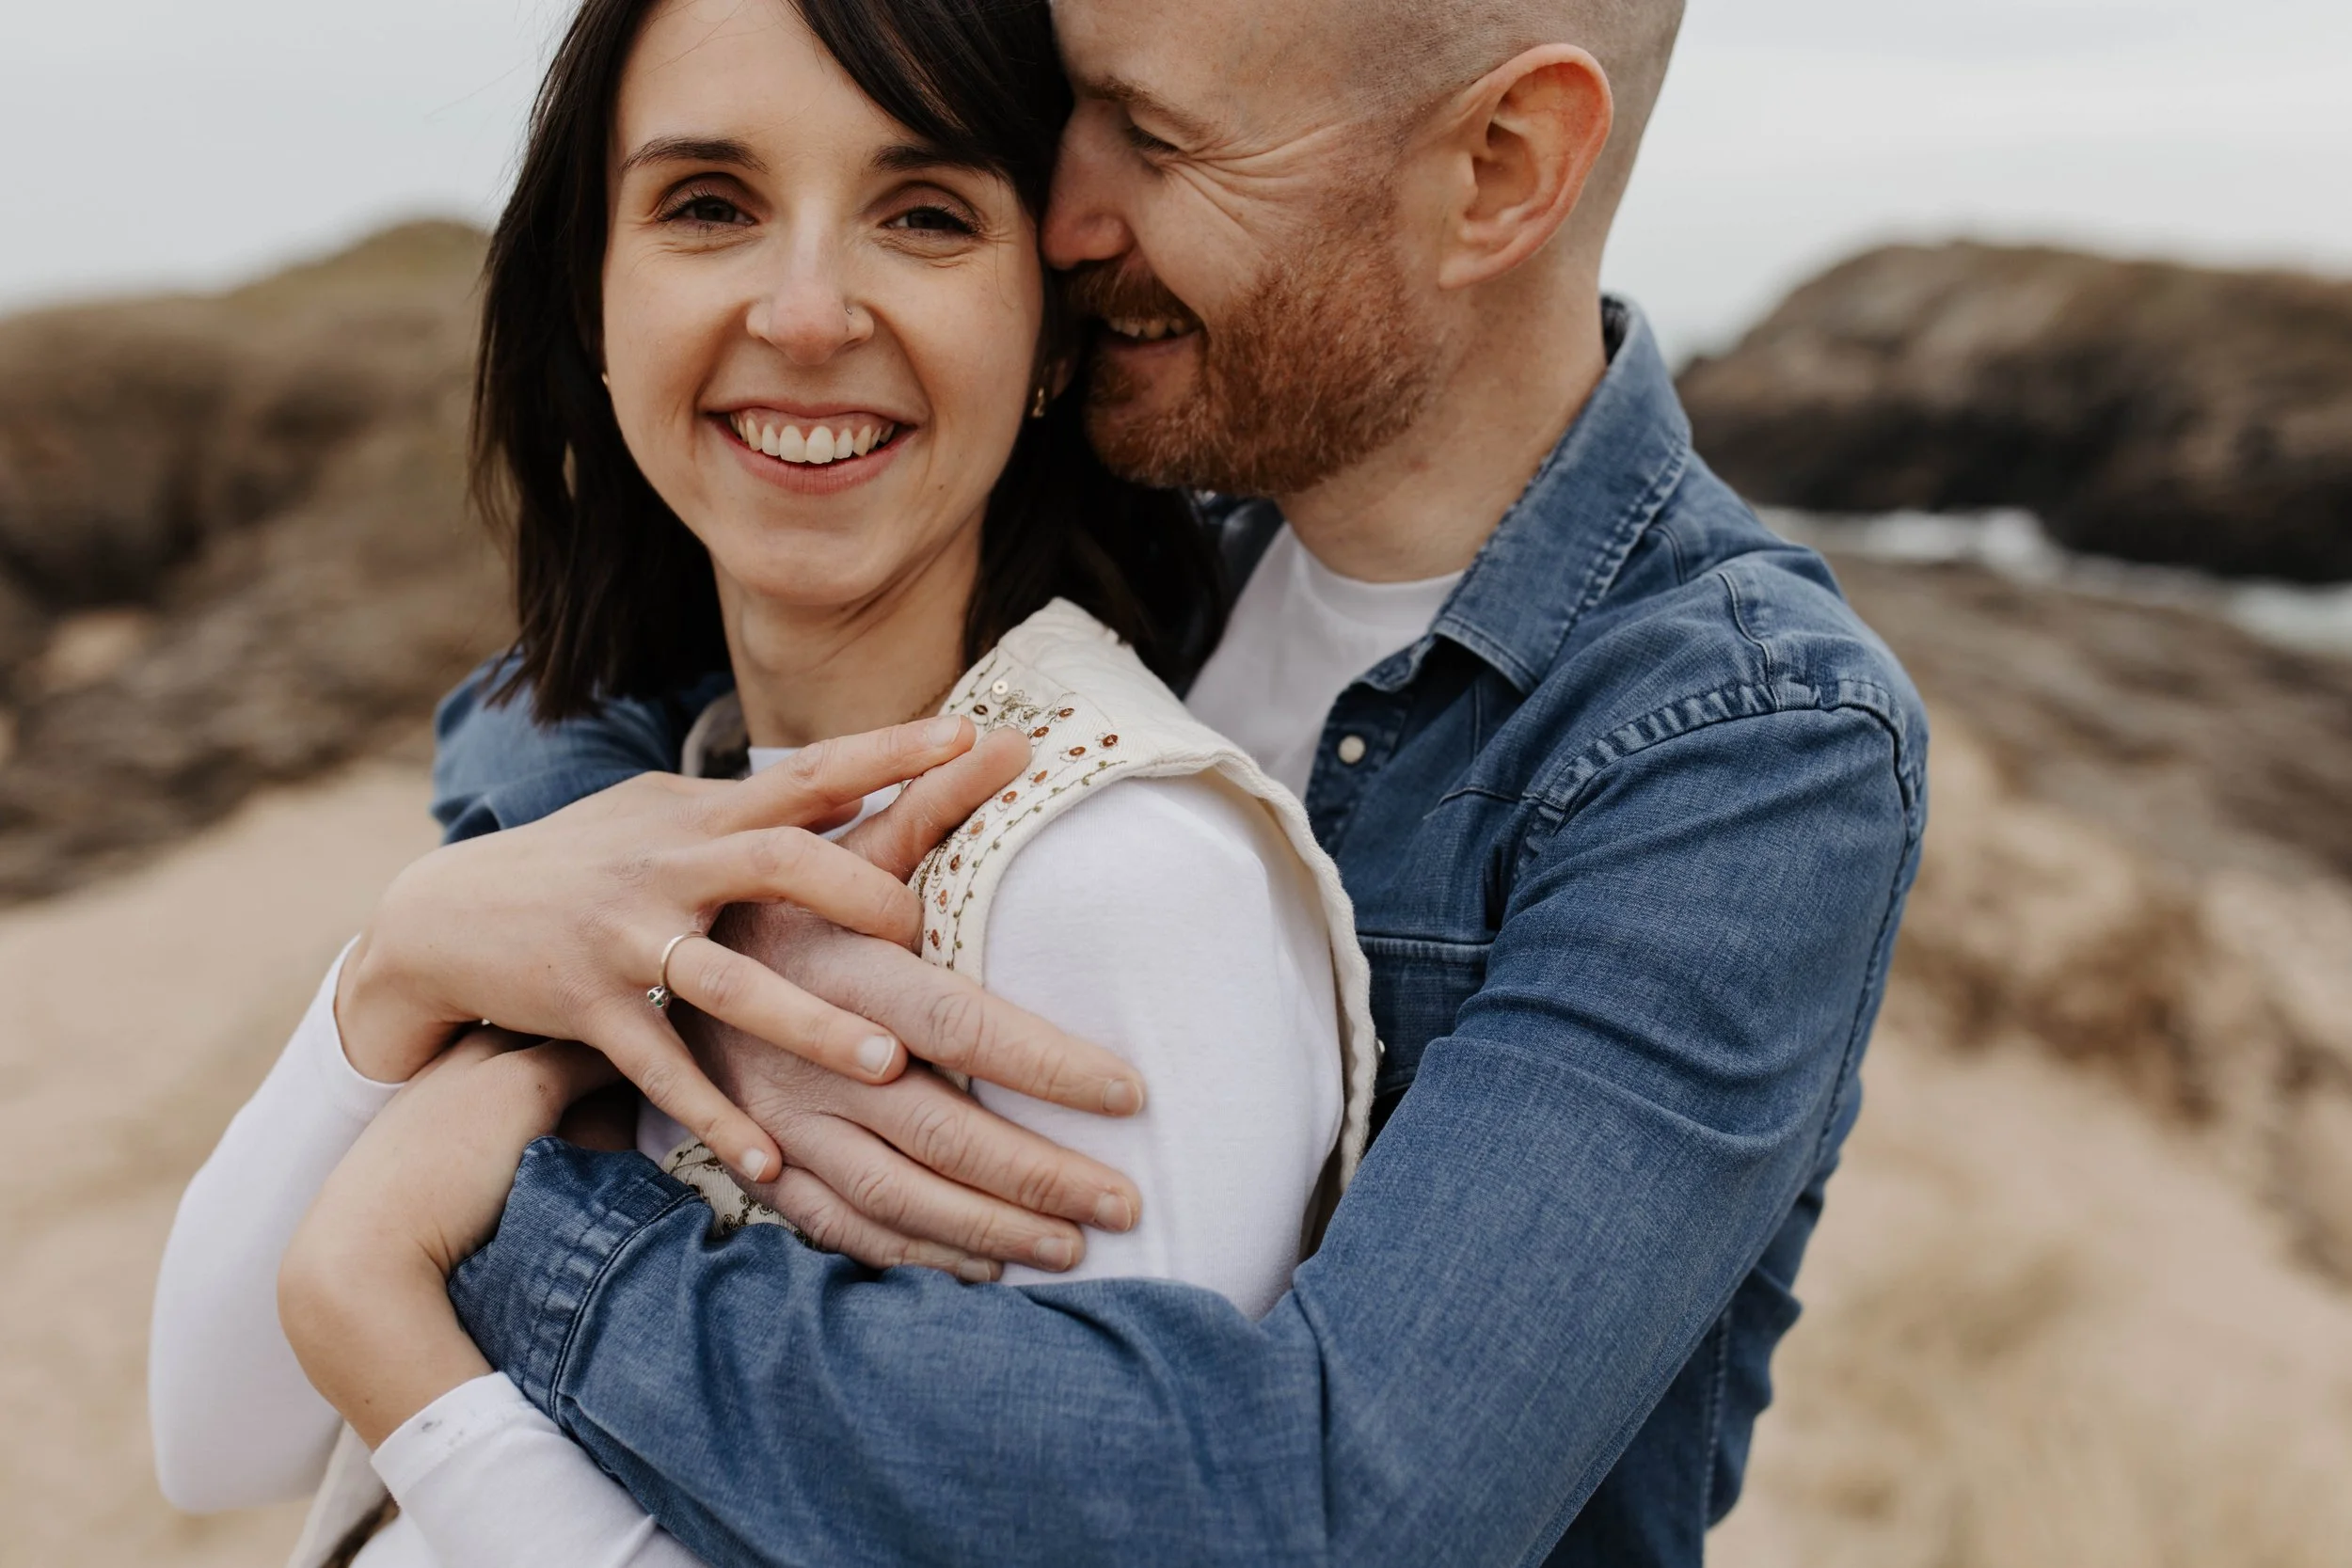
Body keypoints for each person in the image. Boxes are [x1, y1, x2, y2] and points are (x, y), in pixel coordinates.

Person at [257, 0, 1932, 1562]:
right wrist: (687, 947)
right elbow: (561, 696)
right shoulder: (1161, 482)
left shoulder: (1744, 746)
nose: (1062, 216)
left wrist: (524, 1226)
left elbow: (1331, 1509)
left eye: (1156, 137)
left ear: (1499, 169)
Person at [149, 0, 1386, 1562]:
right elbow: (213, 1437)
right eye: (708, 205)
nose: (806, 315)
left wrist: (394, 1330)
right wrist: (400, 961)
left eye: (923, 215)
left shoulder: (1114, 869)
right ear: (594, 296)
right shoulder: (636, 808)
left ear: (1052, 330)